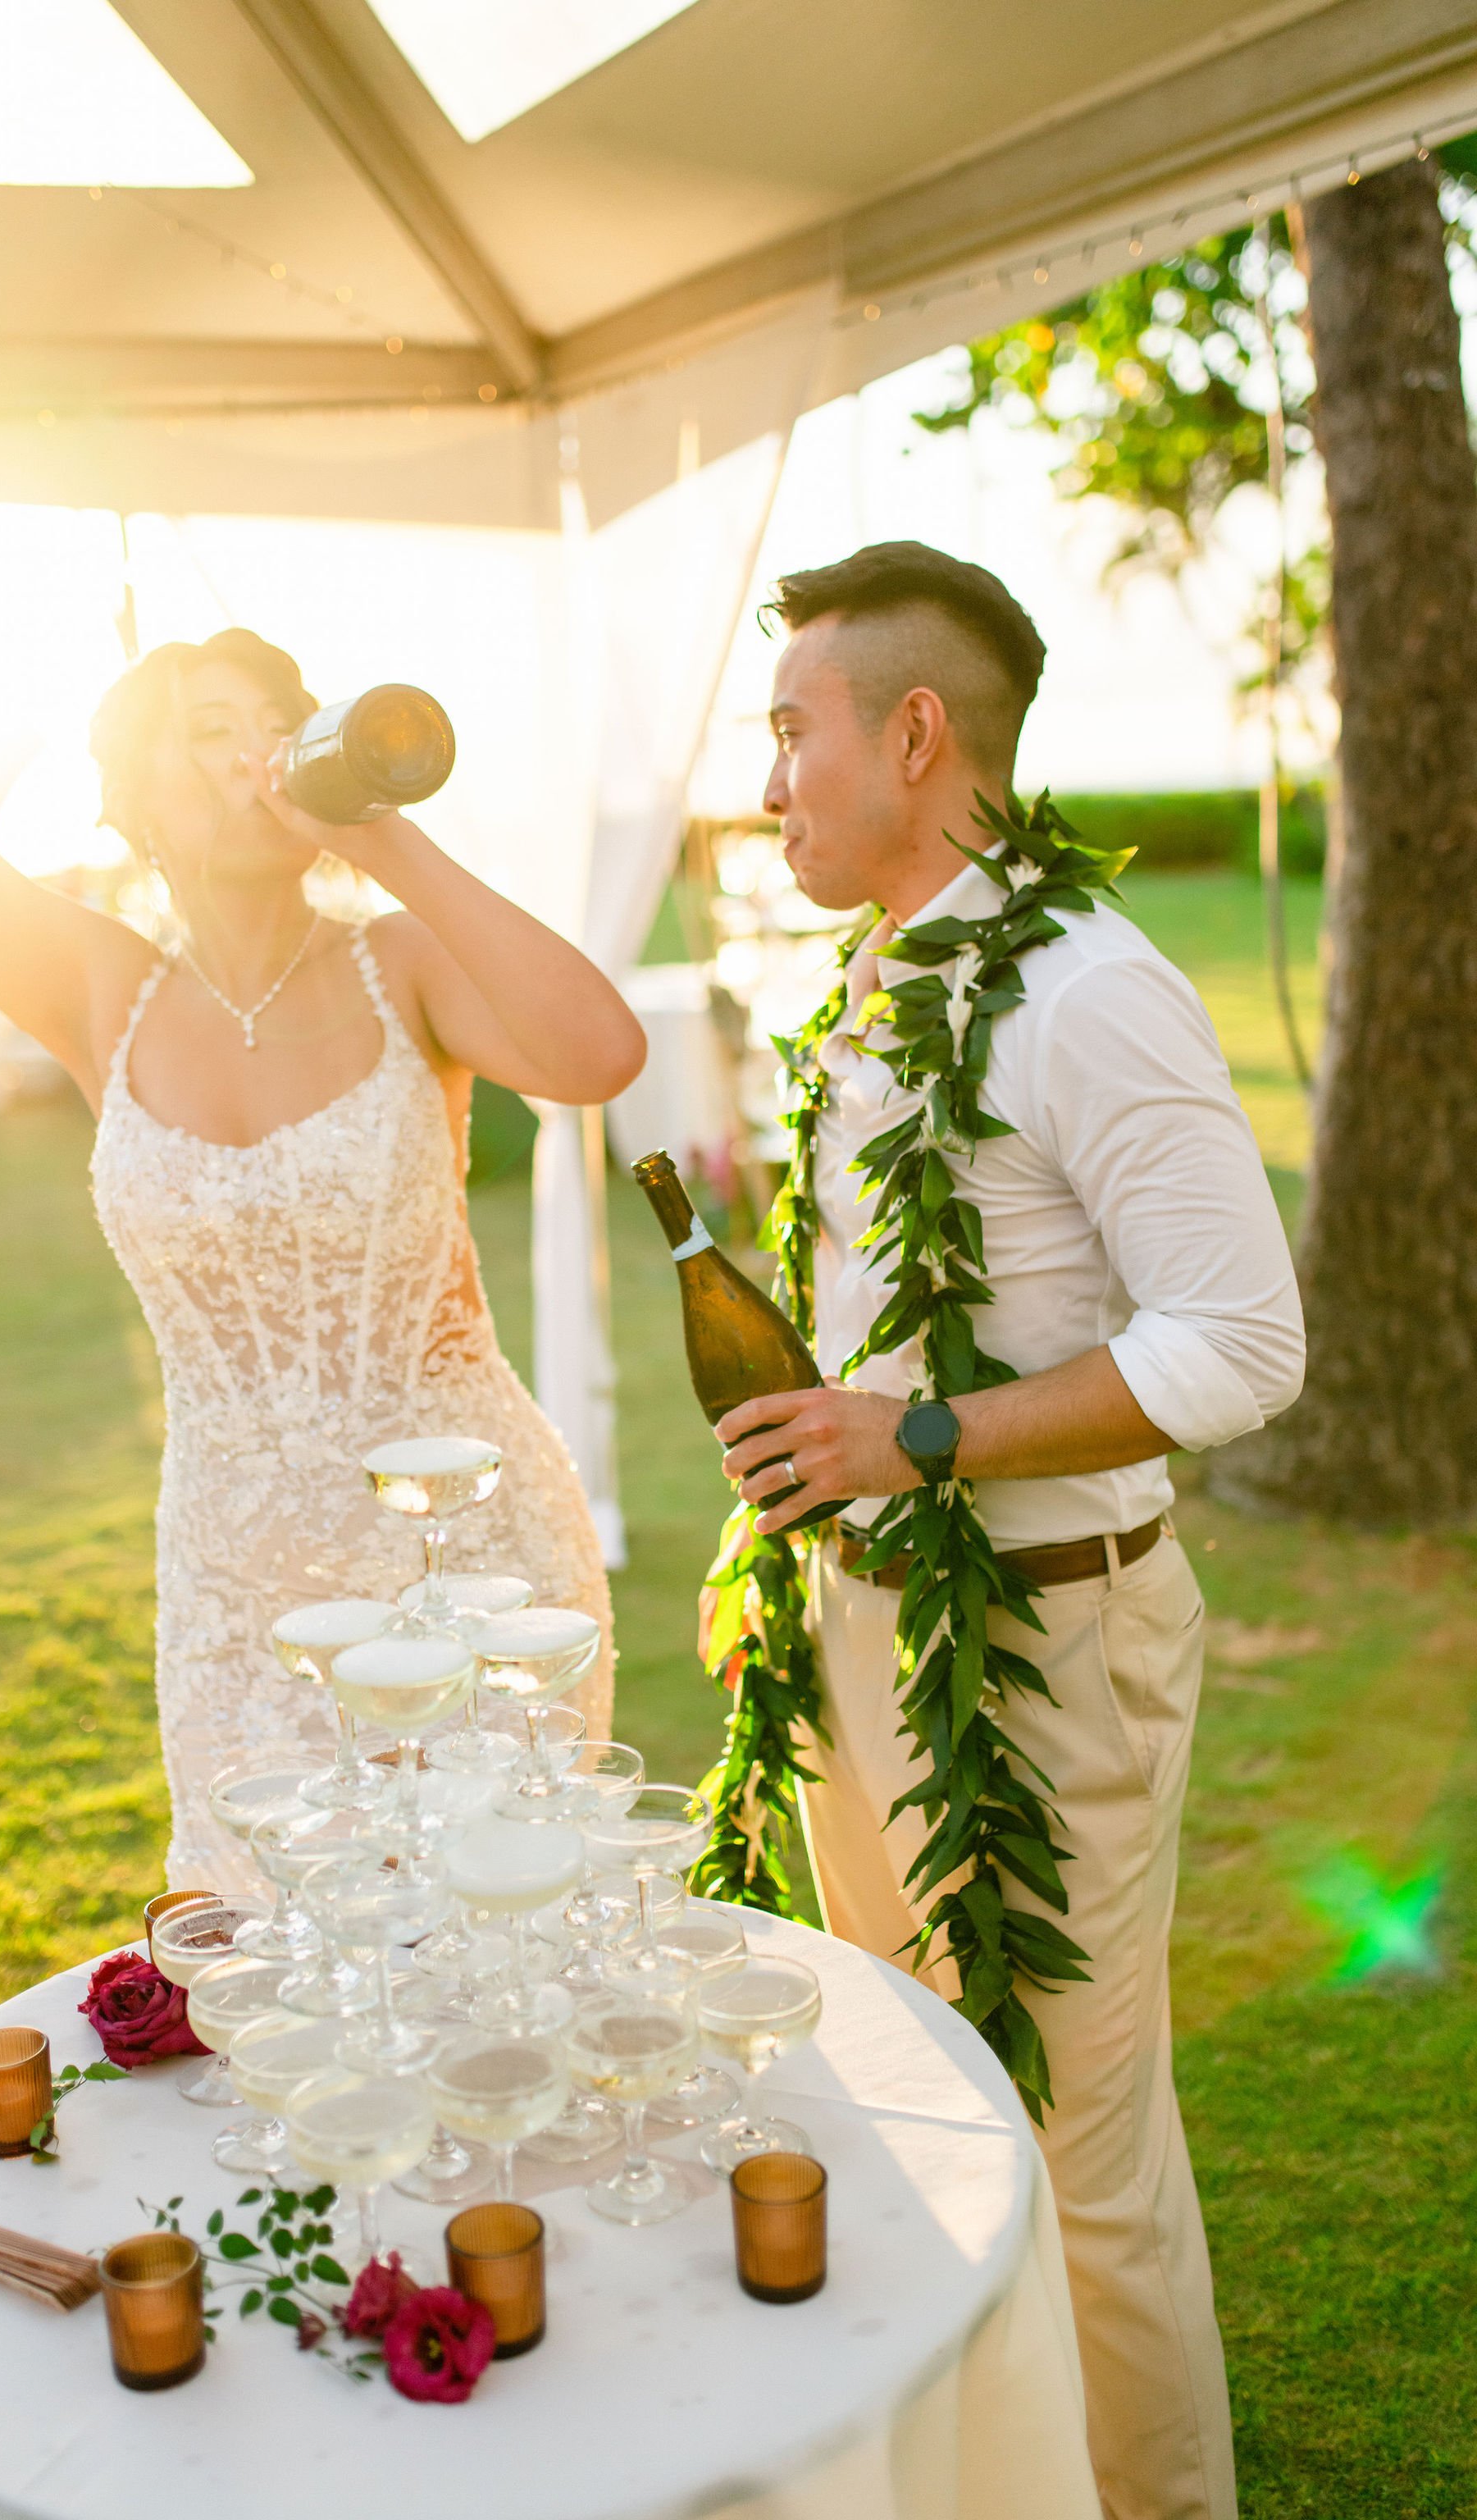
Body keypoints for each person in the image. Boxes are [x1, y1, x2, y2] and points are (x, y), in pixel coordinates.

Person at [714, 543, 1305, 2520]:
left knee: (1075, 2161)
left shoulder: (1087, 986)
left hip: (1047, 1653)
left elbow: (1243, 1340)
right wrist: (806, 1507)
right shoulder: (878, 973)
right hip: (866, 1645)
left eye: (792, 728)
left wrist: (923, 1434)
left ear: (913, 730)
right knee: (908, 2111)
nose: (767, 774)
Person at [0, 570, 645, 1887]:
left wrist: (385, 841)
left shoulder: (402, 964)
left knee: (501, 1947)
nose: (254, 750)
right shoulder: (100, 989)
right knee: (289, 1967)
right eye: (208, 726)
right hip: (238, 1593)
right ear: (134, 797)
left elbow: (600, 1054)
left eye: (274, 721)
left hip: (466, 1558)